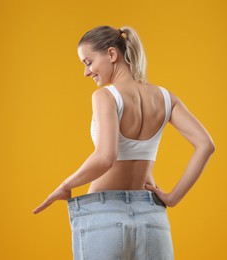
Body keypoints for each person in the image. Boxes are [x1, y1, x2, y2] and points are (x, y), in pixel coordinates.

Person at [32, 25, 215, 260]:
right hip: (152, 214)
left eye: (88, 62)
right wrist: (173, 197)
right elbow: (206, 145)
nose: (86, 72)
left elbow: (105, 157)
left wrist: (66, 185)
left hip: (103, 212)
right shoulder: (166, 98)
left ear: (111, 54)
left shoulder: (105, 96)